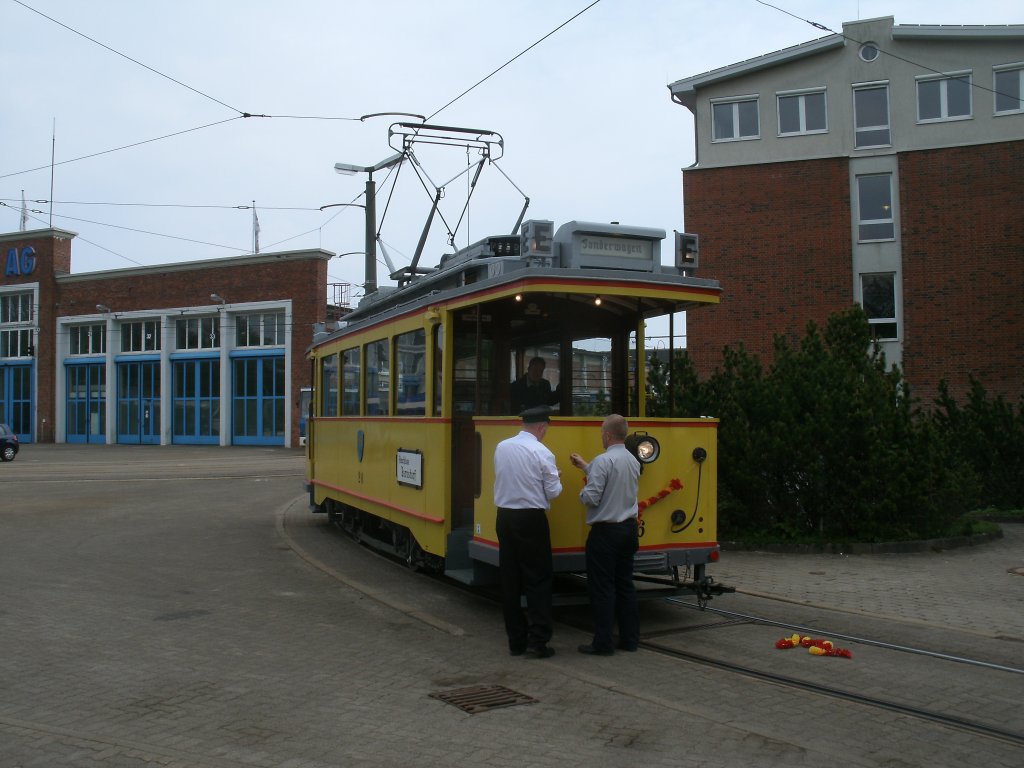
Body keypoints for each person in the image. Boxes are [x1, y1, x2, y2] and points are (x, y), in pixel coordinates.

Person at [493, 405, 562, 658]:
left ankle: (516, 642)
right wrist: (557, 477)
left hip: (504, 516)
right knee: (538, 579)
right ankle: (538, 641)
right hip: (531, 519)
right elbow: (553, 492)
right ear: (542, 426)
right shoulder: (542, 452)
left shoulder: (502, 447)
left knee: (510, 579)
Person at [569, 414, 641, 656]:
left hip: (606, 532)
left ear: (609, 435)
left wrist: (581, 493)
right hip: (629, 530)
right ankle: (630, 640)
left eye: (602, 432)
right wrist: (586, 466)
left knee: (602, 588)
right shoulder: (632, 460)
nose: (601, 435)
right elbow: (615, 480)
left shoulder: (603, 461)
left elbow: (593, 496)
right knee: (625, 585)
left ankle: (603, 643)